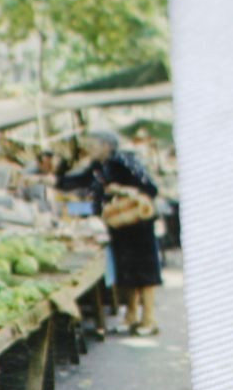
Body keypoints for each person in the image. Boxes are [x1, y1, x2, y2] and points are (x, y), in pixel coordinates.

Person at [58, 129, 163, 334]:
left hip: (137, 223)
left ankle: (149, 320)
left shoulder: (124, 160)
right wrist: (54, 181)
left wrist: (121, 190)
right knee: (127, 271)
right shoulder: (100, 165)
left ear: (106, 145)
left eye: (93, 144)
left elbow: (151, 188)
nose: (89, 148)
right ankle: (131, 316)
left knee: (145, 272)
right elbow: (80, 180)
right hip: (118, 223)